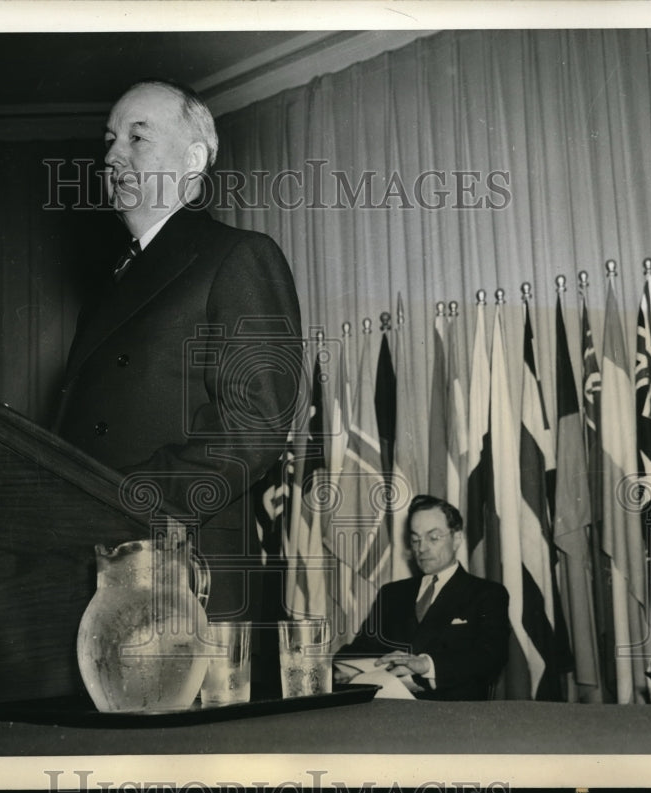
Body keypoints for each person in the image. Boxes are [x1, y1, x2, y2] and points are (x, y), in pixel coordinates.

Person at [53, 79, 302, 628]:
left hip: (181, 574)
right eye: (110, 138)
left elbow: (256, 425)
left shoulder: (237, 257)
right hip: (94, 568)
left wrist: (123, 500)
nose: (112, 154)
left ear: (192, 161)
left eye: (137, 138)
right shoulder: (108, 289)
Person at [335, 495, 510, 700]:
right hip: (387, 711)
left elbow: (490, 658)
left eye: (433, 538)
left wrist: (427, 665)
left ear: (457, 539)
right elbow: (361, 649)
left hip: (454, 715)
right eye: (415, 539)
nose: (422, 548)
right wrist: (344, 669)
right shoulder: (392, 593)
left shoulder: (486, 593)